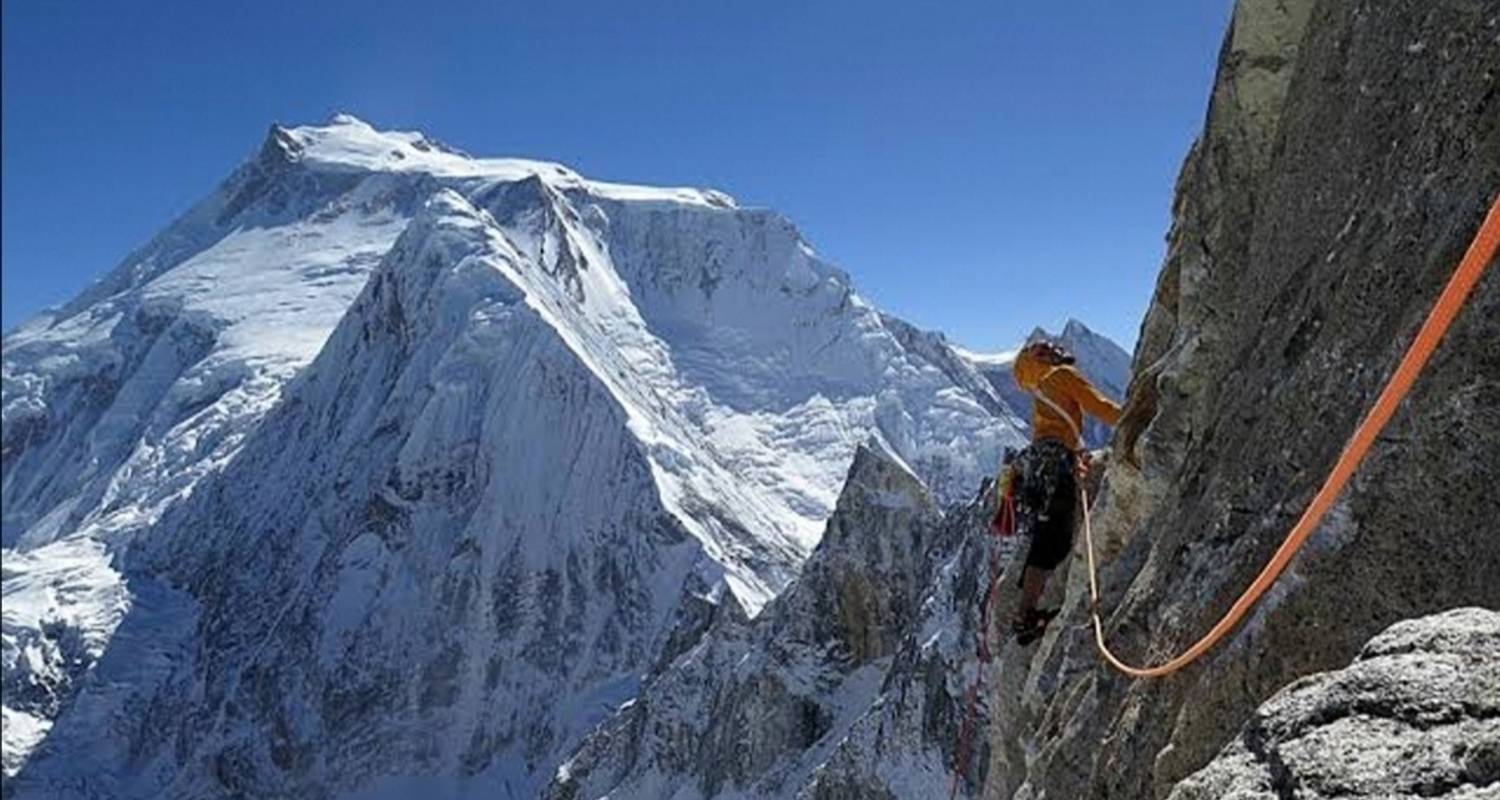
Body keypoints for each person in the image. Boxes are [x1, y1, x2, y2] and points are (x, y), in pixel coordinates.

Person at [1001, 340, 1122, 645]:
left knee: (1044, 541)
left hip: (1037, 471)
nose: (1054, 348)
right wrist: (1137, 418)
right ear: (1041, 359)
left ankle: (1025, 614)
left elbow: (1053, 433)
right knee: (1054, 538)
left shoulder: (1041, 391)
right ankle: (1028, 614)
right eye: (1045, 349)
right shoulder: (1062, 377)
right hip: (1057, 467)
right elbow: (1100, 407)